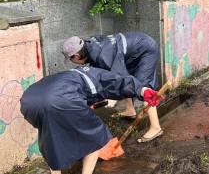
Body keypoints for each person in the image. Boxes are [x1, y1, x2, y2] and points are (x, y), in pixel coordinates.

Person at [20, 66, 162, 174]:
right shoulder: (96, 75)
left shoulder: (70, 75)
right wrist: (142, 90)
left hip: (28, 102)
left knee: (52, 138)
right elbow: (117, 81)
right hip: (62, 100)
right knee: (96, 136)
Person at [63, 32, 161, 142]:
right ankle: (130, 110)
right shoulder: (90, 46)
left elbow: (119, 79)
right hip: (134, 49)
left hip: (146, 49)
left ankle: (155, 127)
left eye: (71, 59)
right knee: (125, 79)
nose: (73, 62)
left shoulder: (103, 56)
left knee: (142, 87)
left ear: (77, 55)